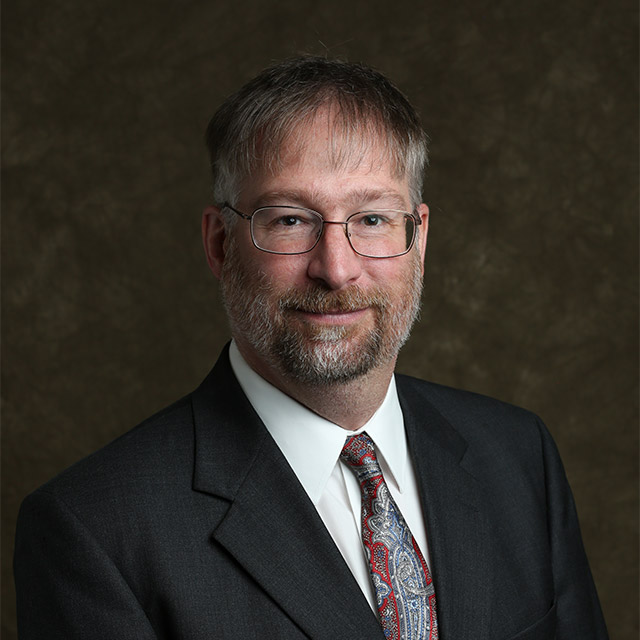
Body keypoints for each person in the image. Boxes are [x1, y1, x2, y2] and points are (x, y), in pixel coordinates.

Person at [14, 56, 608, 640]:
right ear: (220, 245)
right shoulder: (95, 531)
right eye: (292, 220)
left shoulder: (519, 455)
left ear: (417, 239)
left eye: (371, 219)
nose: (336, 269)